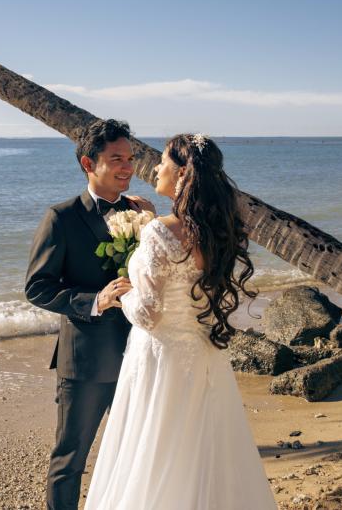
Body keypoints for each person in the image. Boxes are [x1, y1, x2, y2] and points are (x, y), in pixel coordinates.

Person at [85, 133, 277, 509]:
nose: (155, 167)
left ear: (183, 173)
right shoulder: (216, 231)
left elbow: (148, 314)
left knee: (155, 451)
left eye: (163, 162)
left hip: (160, 358)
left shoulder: (158, 232)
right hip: (203, 351)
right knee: (205, 449)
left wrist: (121, 295)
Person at [25, 119, 155, 510]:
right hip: (85, 362)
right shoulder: (61, 217)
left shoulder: (141, 213)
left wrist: (152, 223)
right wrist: (95, 300)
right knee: (70, 459)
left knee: (136, 456)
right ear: (88, 163)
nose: (128, 167)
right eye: (117, 159)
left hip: (138, 355)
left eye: (130, 158)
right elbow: (38, 288)